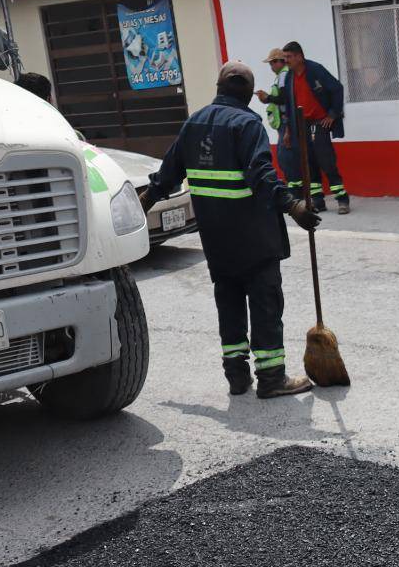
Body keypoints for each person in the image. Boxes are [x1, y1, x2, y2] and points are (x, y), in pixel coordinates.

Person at [139, 59, 318, 399]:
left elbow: (168, 174)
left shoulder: (194, 123)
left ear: (218, 89)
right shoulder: (247, 125)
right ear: (250, 95)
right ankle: (271, 377)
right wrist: (294, 207)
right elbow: (262, 175)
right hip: (255, 238)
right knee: (265, 304)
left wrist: (144, 202)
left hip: (217, 239)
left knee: (230, 303)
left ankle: (237, 377)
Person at [275, 40, 350, 216]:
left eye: (289, 57)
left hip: (319, 123)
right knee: (308, 163)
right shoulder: (289, 77)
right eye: (284, 57)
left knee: (326, 160)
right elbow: (288, 104)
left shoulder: (315, 70)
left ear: (299, 56)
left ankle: (342, 199)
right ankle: (318, 201)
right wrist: (287, 130)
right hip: (300, 126)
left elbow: (337, 88)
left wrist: (332, 114)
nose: (286, 61)